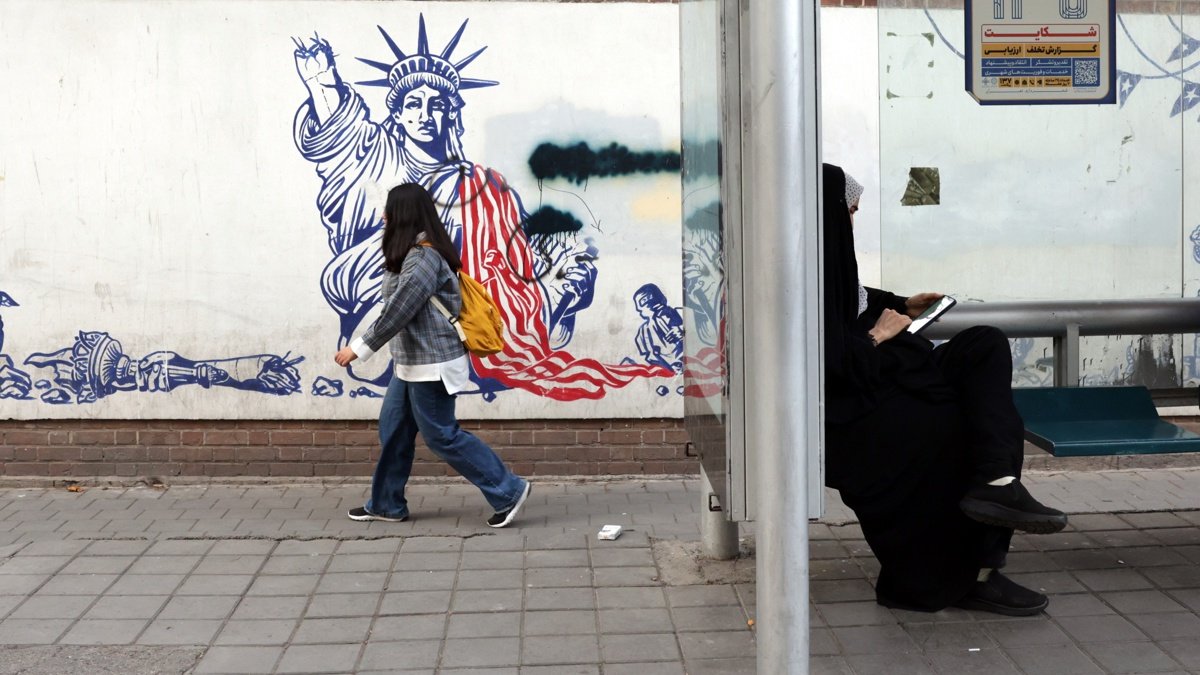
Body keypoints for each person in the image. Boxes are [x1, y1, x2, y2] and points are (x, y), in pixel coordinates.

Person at [293, 21, 670, 400]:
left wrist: (552, 262)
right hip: (372, 288)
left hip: (456, 305)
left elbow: (512, 253)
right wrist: (322, 84)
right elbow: (340, 134)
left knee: (534, 270)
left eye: (436, 104)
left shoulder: (483, 184)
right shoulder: (376, 157)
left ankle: (531, 315)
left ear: (451, 115)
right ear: (397, 113)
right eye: (413, 103)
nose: (425, 113)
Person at [821, 163, 1068, 615]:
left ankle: (997, 484)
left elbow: (850, 299)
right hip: (856, 401)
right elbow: (826, 361)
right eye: (848, 211)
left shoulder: (828, 262)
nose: (852, 220)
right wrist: (878, 336)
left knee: (984, 345)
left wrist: (900, 304)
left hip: (890, 373)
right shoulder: (796, 279)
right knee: (959, 427)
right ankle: (969, 573)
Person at [335, 183, 531, 528]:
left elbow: (400, 308)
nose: (384, 215)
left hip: (434, 363)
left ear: (404, 214)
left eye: (390, 209)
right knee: (394, 430)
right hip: (411, 364)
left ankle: (508, 490)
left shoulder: (424, 256)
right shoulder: (410, 253)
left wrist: (359, 348)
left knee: (441, 435)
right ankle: (386, 503)